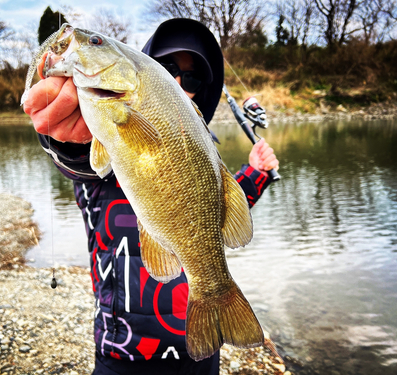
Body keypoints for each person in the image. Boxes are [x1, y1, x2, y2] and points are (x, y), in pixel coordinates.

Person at [24, 18, 279, 375]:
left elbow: (213, 214)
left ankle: (215, 295)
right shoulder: (104, 127)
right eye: (169, 67)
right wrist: (64, 141)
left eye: (191, 78)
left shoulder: (207, 153)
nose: (177, 82)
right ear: (147, 69)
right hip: (121, 352)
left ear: (200, 91)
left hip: (196, 353)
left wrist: (255, 172)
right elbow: (81, 163)